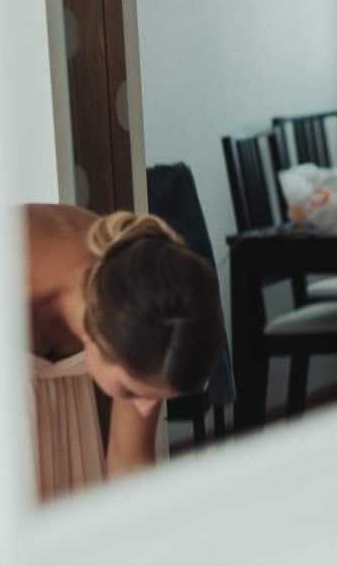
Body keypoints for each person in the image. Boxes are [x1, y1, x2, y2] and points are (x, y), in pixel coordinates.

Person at [23, 204, 224, 501]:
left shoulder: (141, 299)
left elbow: (130, 463)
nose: (145, 409)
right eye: (130, 392)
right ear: (94, 339)